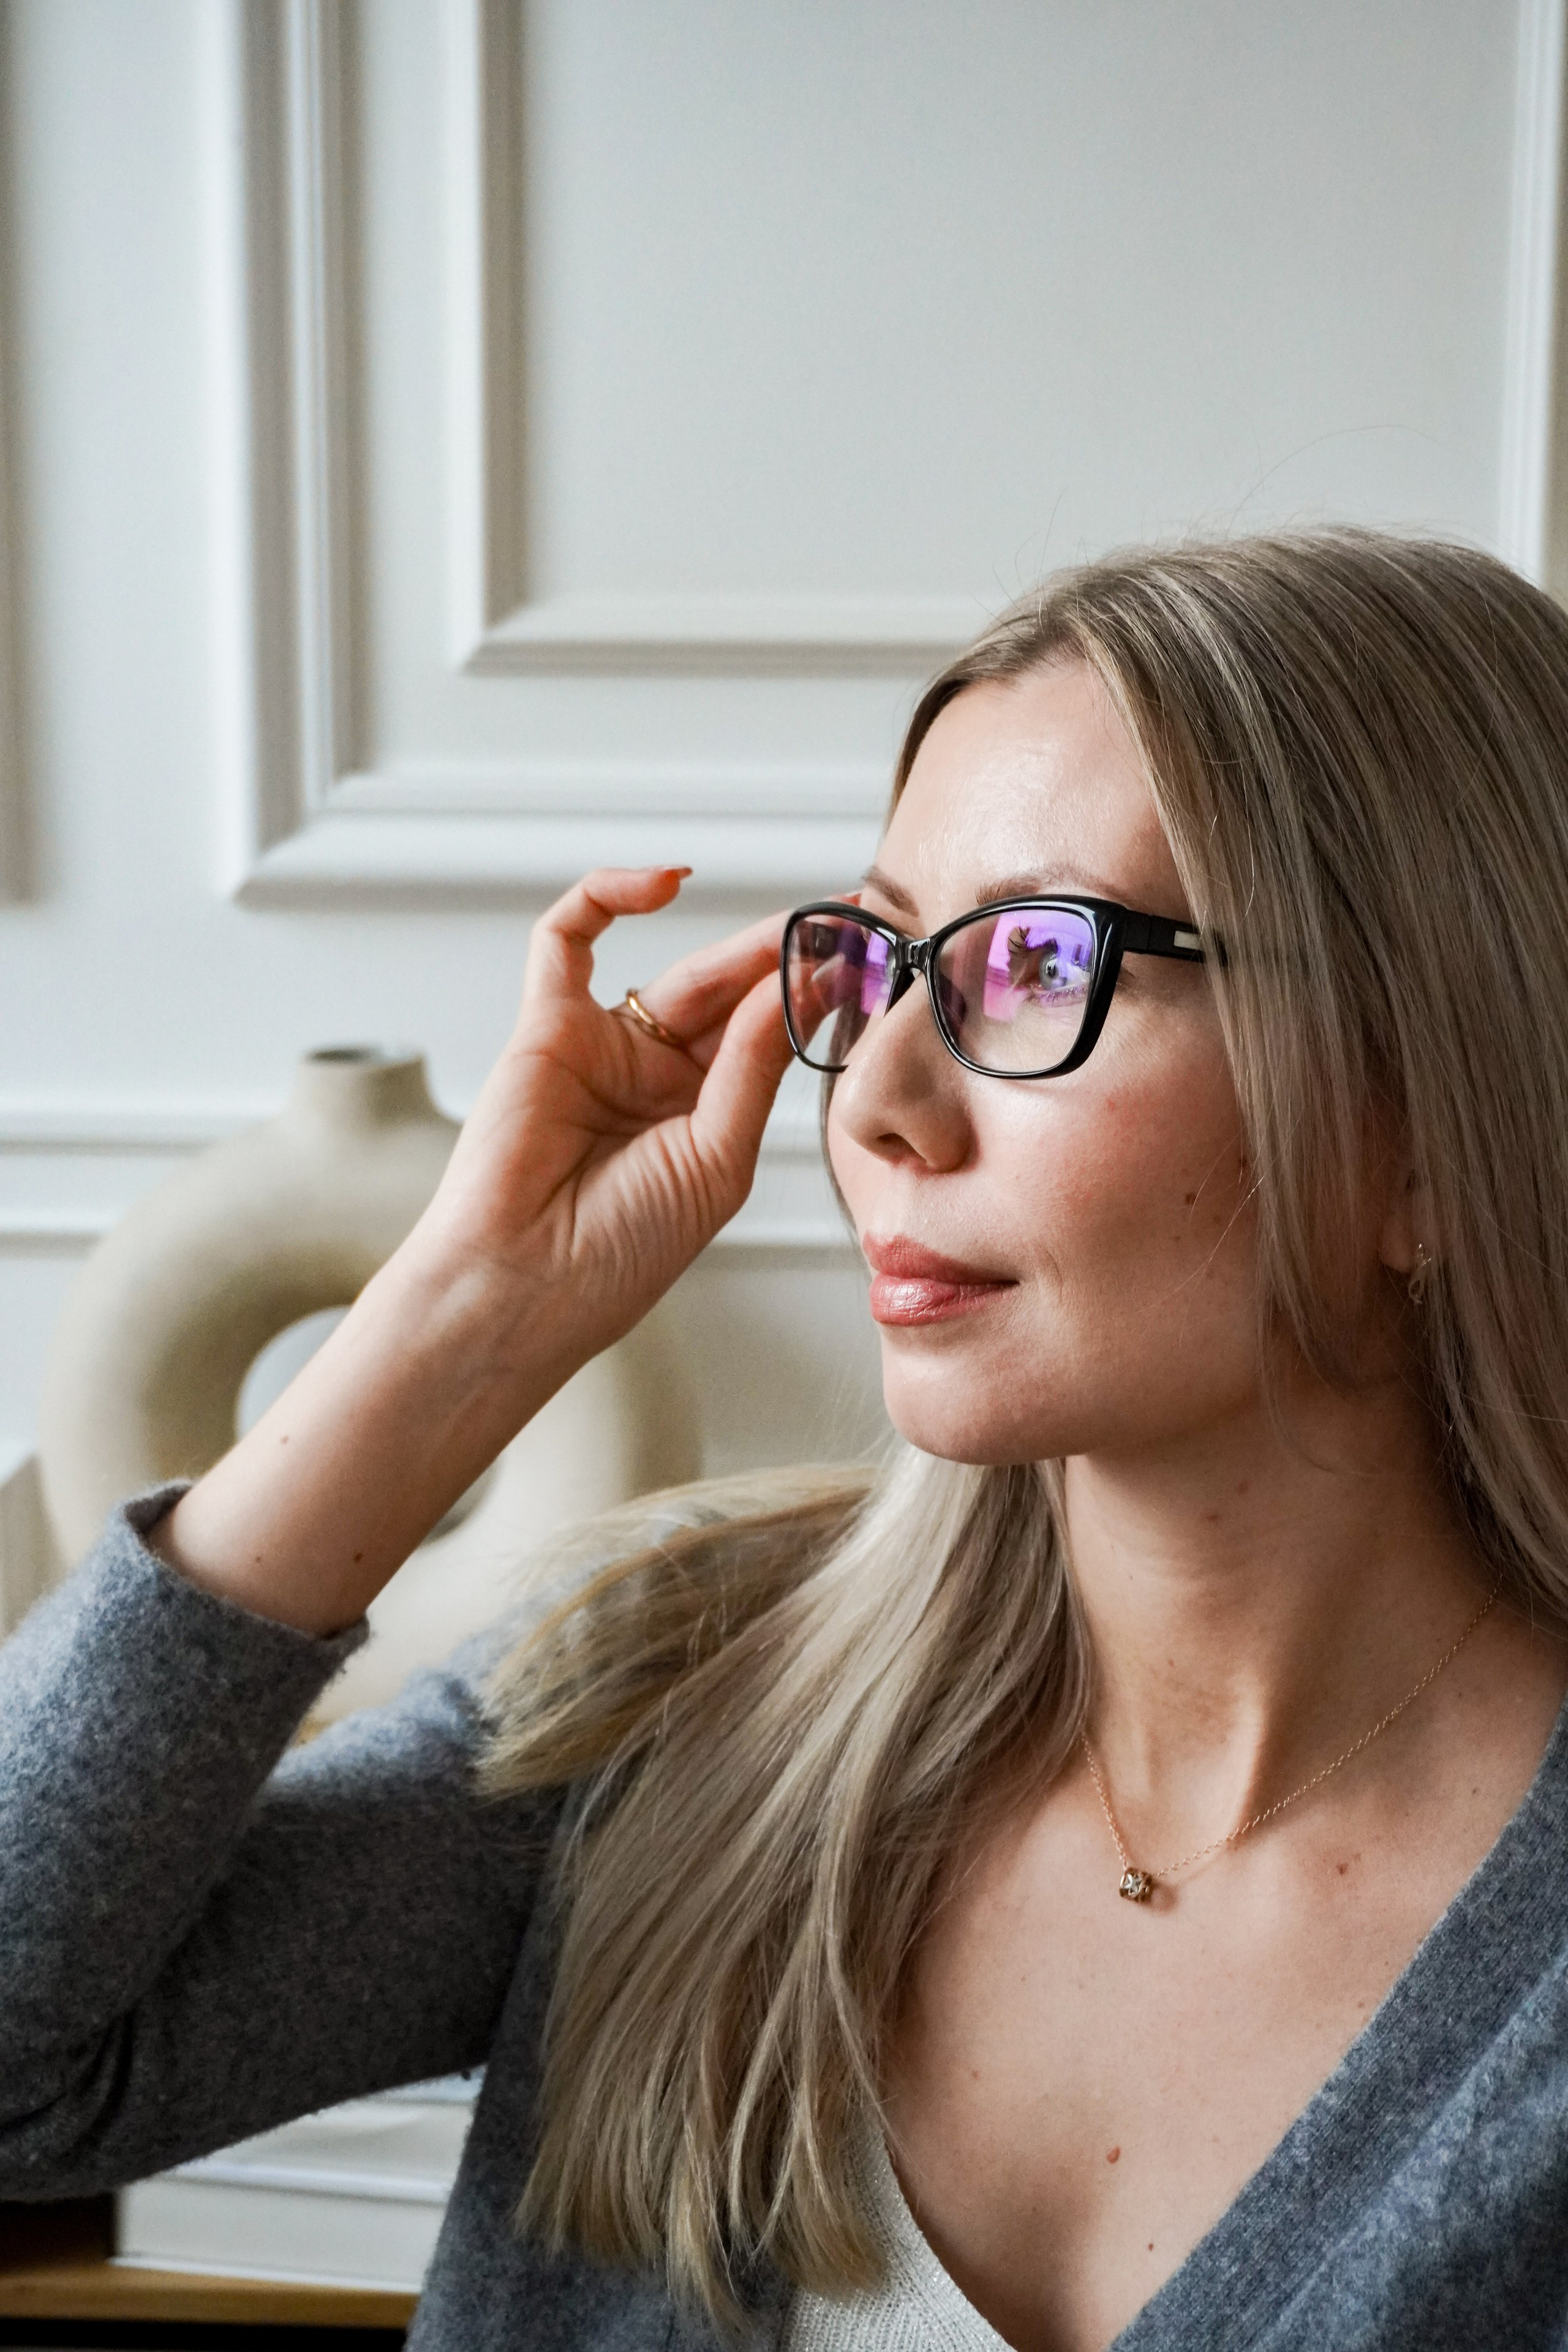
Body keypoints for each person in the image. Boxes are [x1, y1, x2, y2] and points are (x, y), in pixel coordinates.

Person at [4, 529, 1568, 2352]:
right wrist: (455, 1325)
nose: (884, 1100)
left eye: (1041, 964)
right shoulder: (682, 1704)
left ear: (1435, 1137)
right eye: (886, 958)